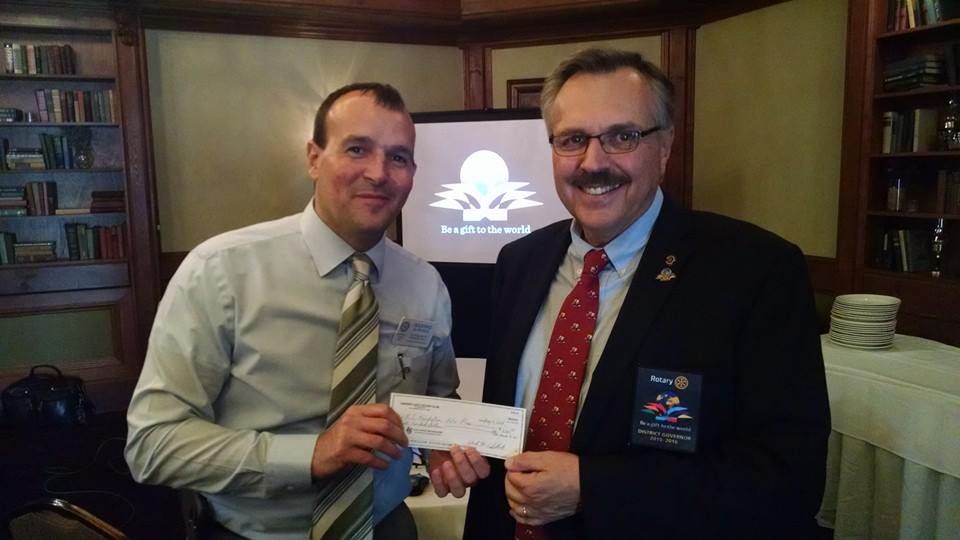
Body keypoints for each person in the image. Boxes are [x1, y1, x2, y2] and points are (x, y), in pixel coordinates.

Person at [463, 48, 831, 539]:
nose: (594, 162)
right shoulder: (519, 262)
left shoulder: (755, 271)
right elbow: (504, 428)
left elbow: (789, 477)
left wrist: (593, 488)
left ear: (665, 146)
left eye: (623, 136)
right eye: (573, 139)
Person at [125, 82, 485, 540]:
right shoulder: (221, 272)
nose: (378, 173)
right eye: (357, 149)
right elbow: (152, 445)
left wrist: (443, 447)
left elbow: (438, 401)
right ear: (314, 158)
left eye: (398, 157)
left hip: (387, 526)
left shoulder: (424, 284)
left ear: (412, 172)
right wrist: (311, 454)